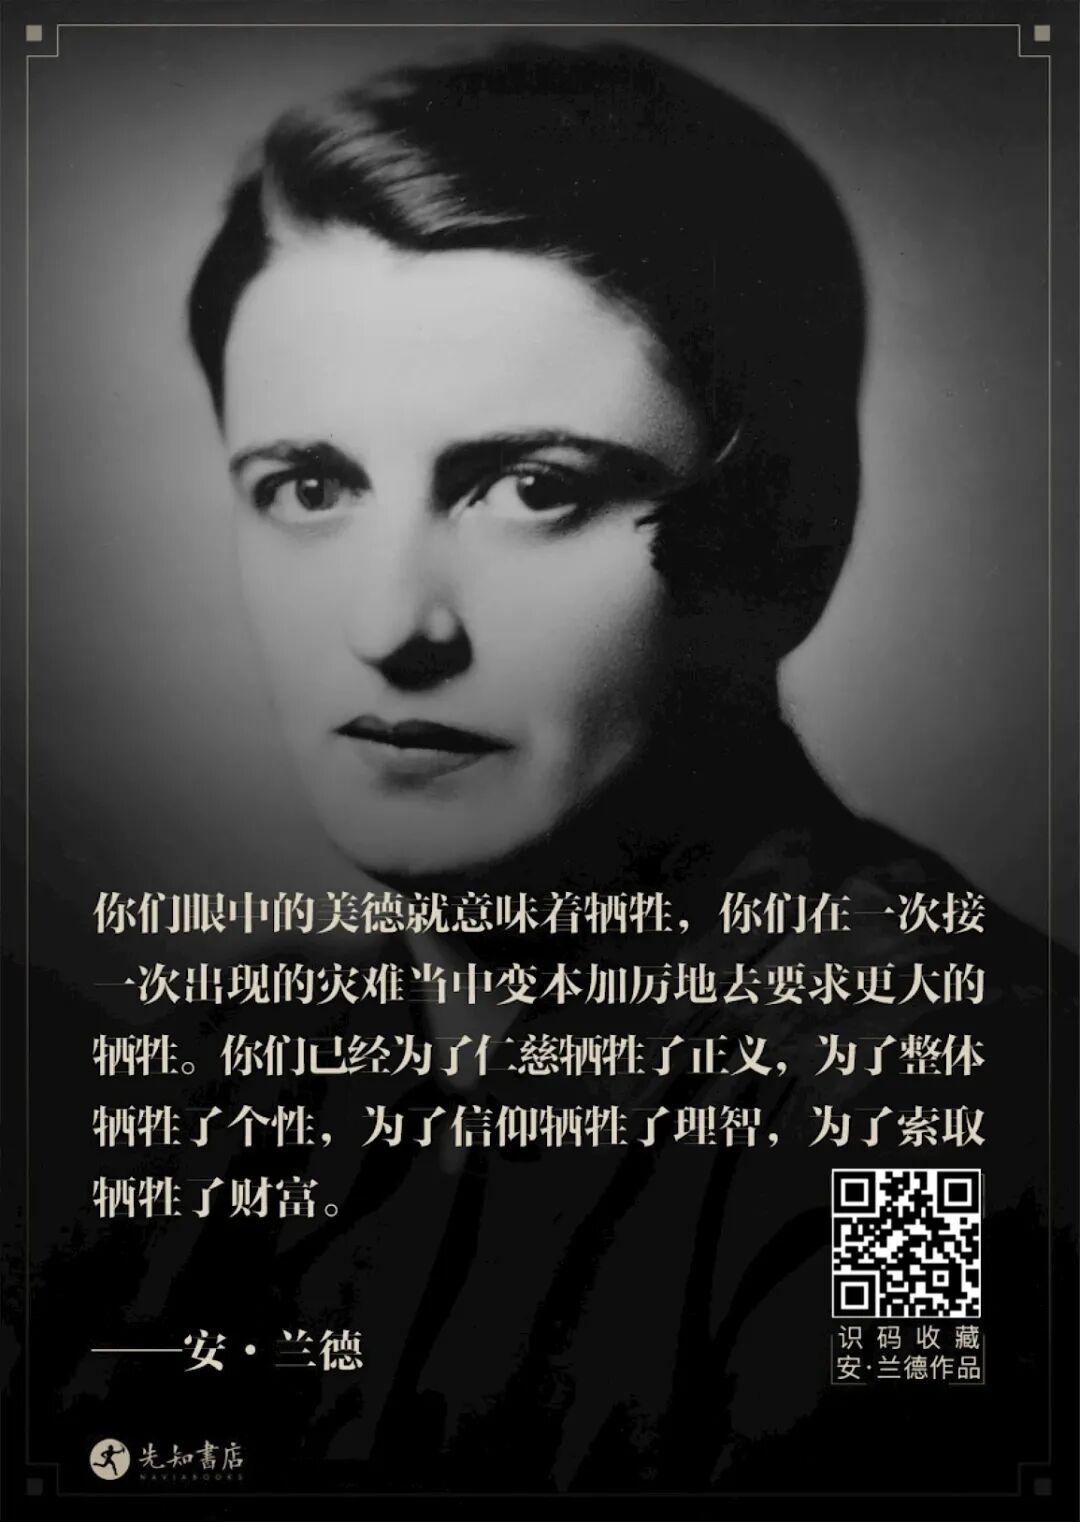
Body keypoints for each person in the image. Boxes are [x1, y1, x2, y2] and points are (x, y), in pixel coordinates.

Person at [45, 40, 1062, 1497]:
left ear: (786, 542)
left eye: (534, 487)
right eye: (308, 487)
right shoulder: (235, 1074)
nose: (390, 626)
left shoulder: (936, 1105)